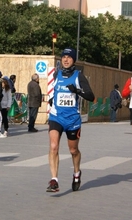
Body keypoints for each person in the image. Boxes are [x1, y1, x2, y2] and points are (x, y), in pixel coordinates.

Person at [46, 48, 95, 193]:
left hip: (72, 120)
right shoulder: (56, 74)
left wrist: (77, 91)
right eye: (64, 57)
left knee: (73, 150)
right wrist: (51, 100)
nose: (66, 60)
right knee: (54, 146)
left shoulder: (79, 76)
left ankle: (77, 173)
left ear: (74, 60)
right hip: (56, 117)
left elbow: (92, 97)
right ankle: (54, 180)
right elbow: (54, 91)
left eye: (69, 57)